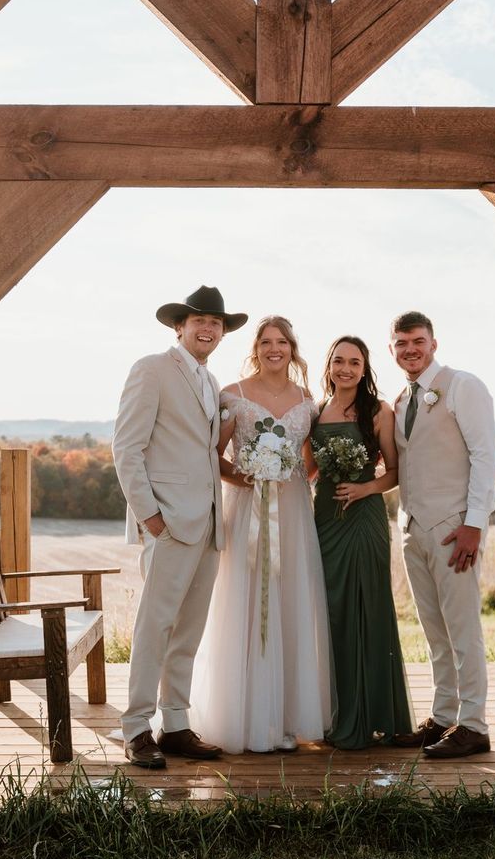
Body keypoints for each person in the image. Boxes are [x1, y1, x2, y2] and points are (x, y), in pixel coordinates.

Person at [112, 285, 243, 769]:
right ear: (179, 327)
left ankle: (176, 724)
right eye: (199, 321)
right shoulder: (151, 369)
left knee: (188, 630)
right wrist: (150, 516)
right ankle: (135, 728)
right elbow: (127, 448)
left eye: (216, 323)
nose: (209, 328)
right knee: (155, 627)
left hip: (208, 523)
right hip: (168, 521)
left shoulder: (211, 382)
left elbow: (206, 452)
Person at [191, 316, 331, 753]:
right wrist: (250, 476)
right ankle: (244, 716)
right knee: (244, 601)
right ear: (256, 348)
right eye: (267, 342)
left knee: (290, 601)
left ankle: (287, 717)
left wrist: (285, 475)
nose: (275, 349)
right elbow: (213, 456)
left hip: (292, 513)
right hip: (247, 511)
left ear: (293, 347)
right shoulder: (233, 395)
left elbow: (310, 462)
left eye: (282, 342)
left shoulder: (307, 400)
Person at [388, 311, 495, 759]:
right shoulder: (400, 399)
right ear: (392, 348)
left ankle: (474, 724)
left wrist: (475, 523)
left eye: (418, 341)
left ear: (434, 343)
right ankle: (443, 715)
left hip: (455, 529)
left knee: (462, 629)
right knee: (435, 631)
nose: (410, 349)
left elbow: (485, 455)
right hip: (412, 528)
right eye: (401, 343)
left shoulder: (462, 386)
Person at [309, 336, 412, 749]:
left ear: (365, 367)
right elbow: (307, 469)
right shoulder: (316, 411)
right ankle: (334, 710)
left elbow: (395, 471)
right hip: (324, 519)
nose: (346, 369)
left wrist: (365, 489)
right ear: (329, 365)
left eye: (354, 362)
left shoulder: (378, 411)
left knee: (369, 608)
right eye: (339, 361)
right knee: (331, 610)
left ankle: (375, 714)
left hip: (365, 518)